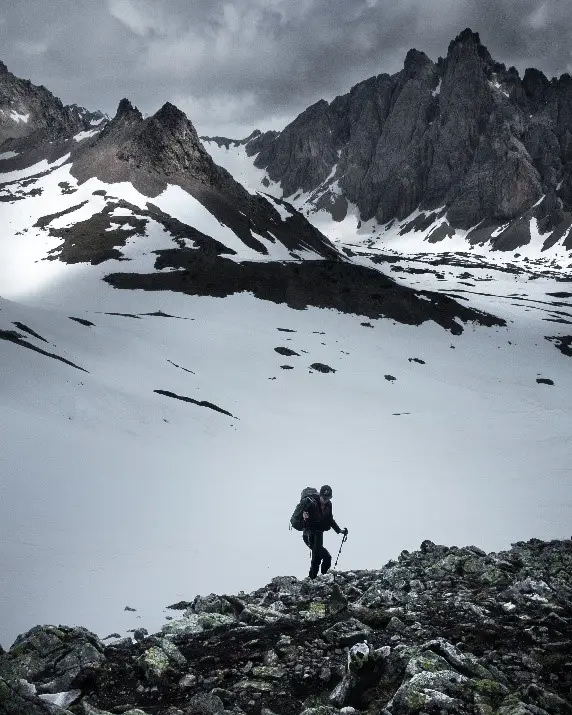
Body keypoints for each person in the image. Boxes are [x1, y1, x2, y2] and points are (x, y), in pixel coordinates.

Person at [302, 484, 348, 579]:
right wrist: (305, 518)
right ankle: (323, 578)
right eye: (324, 498)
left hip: (319, 534)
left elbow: (330, 520)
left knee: (317, 558)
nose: (325, 500)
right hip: (309, 535)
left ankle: (314, 579)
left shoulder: (329, 505)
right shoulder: (312, 504)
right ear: (320, 496)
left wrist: (339, 530)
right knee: (326, 557)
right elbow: (304, 520)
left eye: (327, 498)